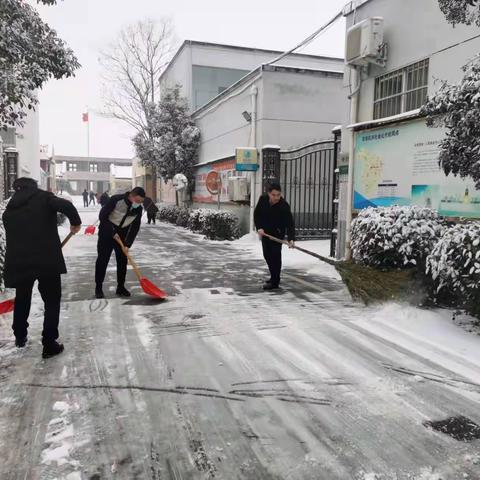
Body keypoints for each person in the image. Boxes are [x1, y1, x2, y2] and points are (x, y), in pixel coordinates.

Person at [2, 177, 82, 358]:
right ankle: (49, 343)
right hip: (46, 261)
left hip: (20, 262)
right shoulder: (44, 198)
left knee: (22, 298)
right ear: (34, 186)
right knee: (52, 301)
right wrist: (75, 222)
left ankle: (20, 337)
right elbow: (67, 206)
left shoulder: (9, 210)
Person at [94, 187, 146, 299]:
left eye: (141, 202)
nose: (139, 204)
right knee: (102, 260)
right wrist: (112, 232)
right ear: (131, 196)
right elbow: (102, 216)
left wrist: (127, 244)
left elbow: (134, 228)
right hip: (106, 233)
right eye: (137, 201)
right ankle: (98, 287)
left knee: (122, 261)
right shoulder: (116, 200)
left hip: (122, 235)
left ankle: (120, 287)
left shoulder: (138, 210)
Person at [254, 182, 295, 291]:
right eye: (274, 195)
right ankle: (273, 277)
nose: (276, 197)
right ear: (269, 193)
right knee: (267, 255)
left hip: (277, 234)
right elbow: (257, 214)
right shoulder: (262, 200)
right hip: (265, 233)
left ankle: (275, 282)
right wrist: (259, 227)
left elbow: (290, 224)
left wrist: (291, 239)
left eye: (278, 195)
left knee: (275, 257)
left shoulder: (283, 206)